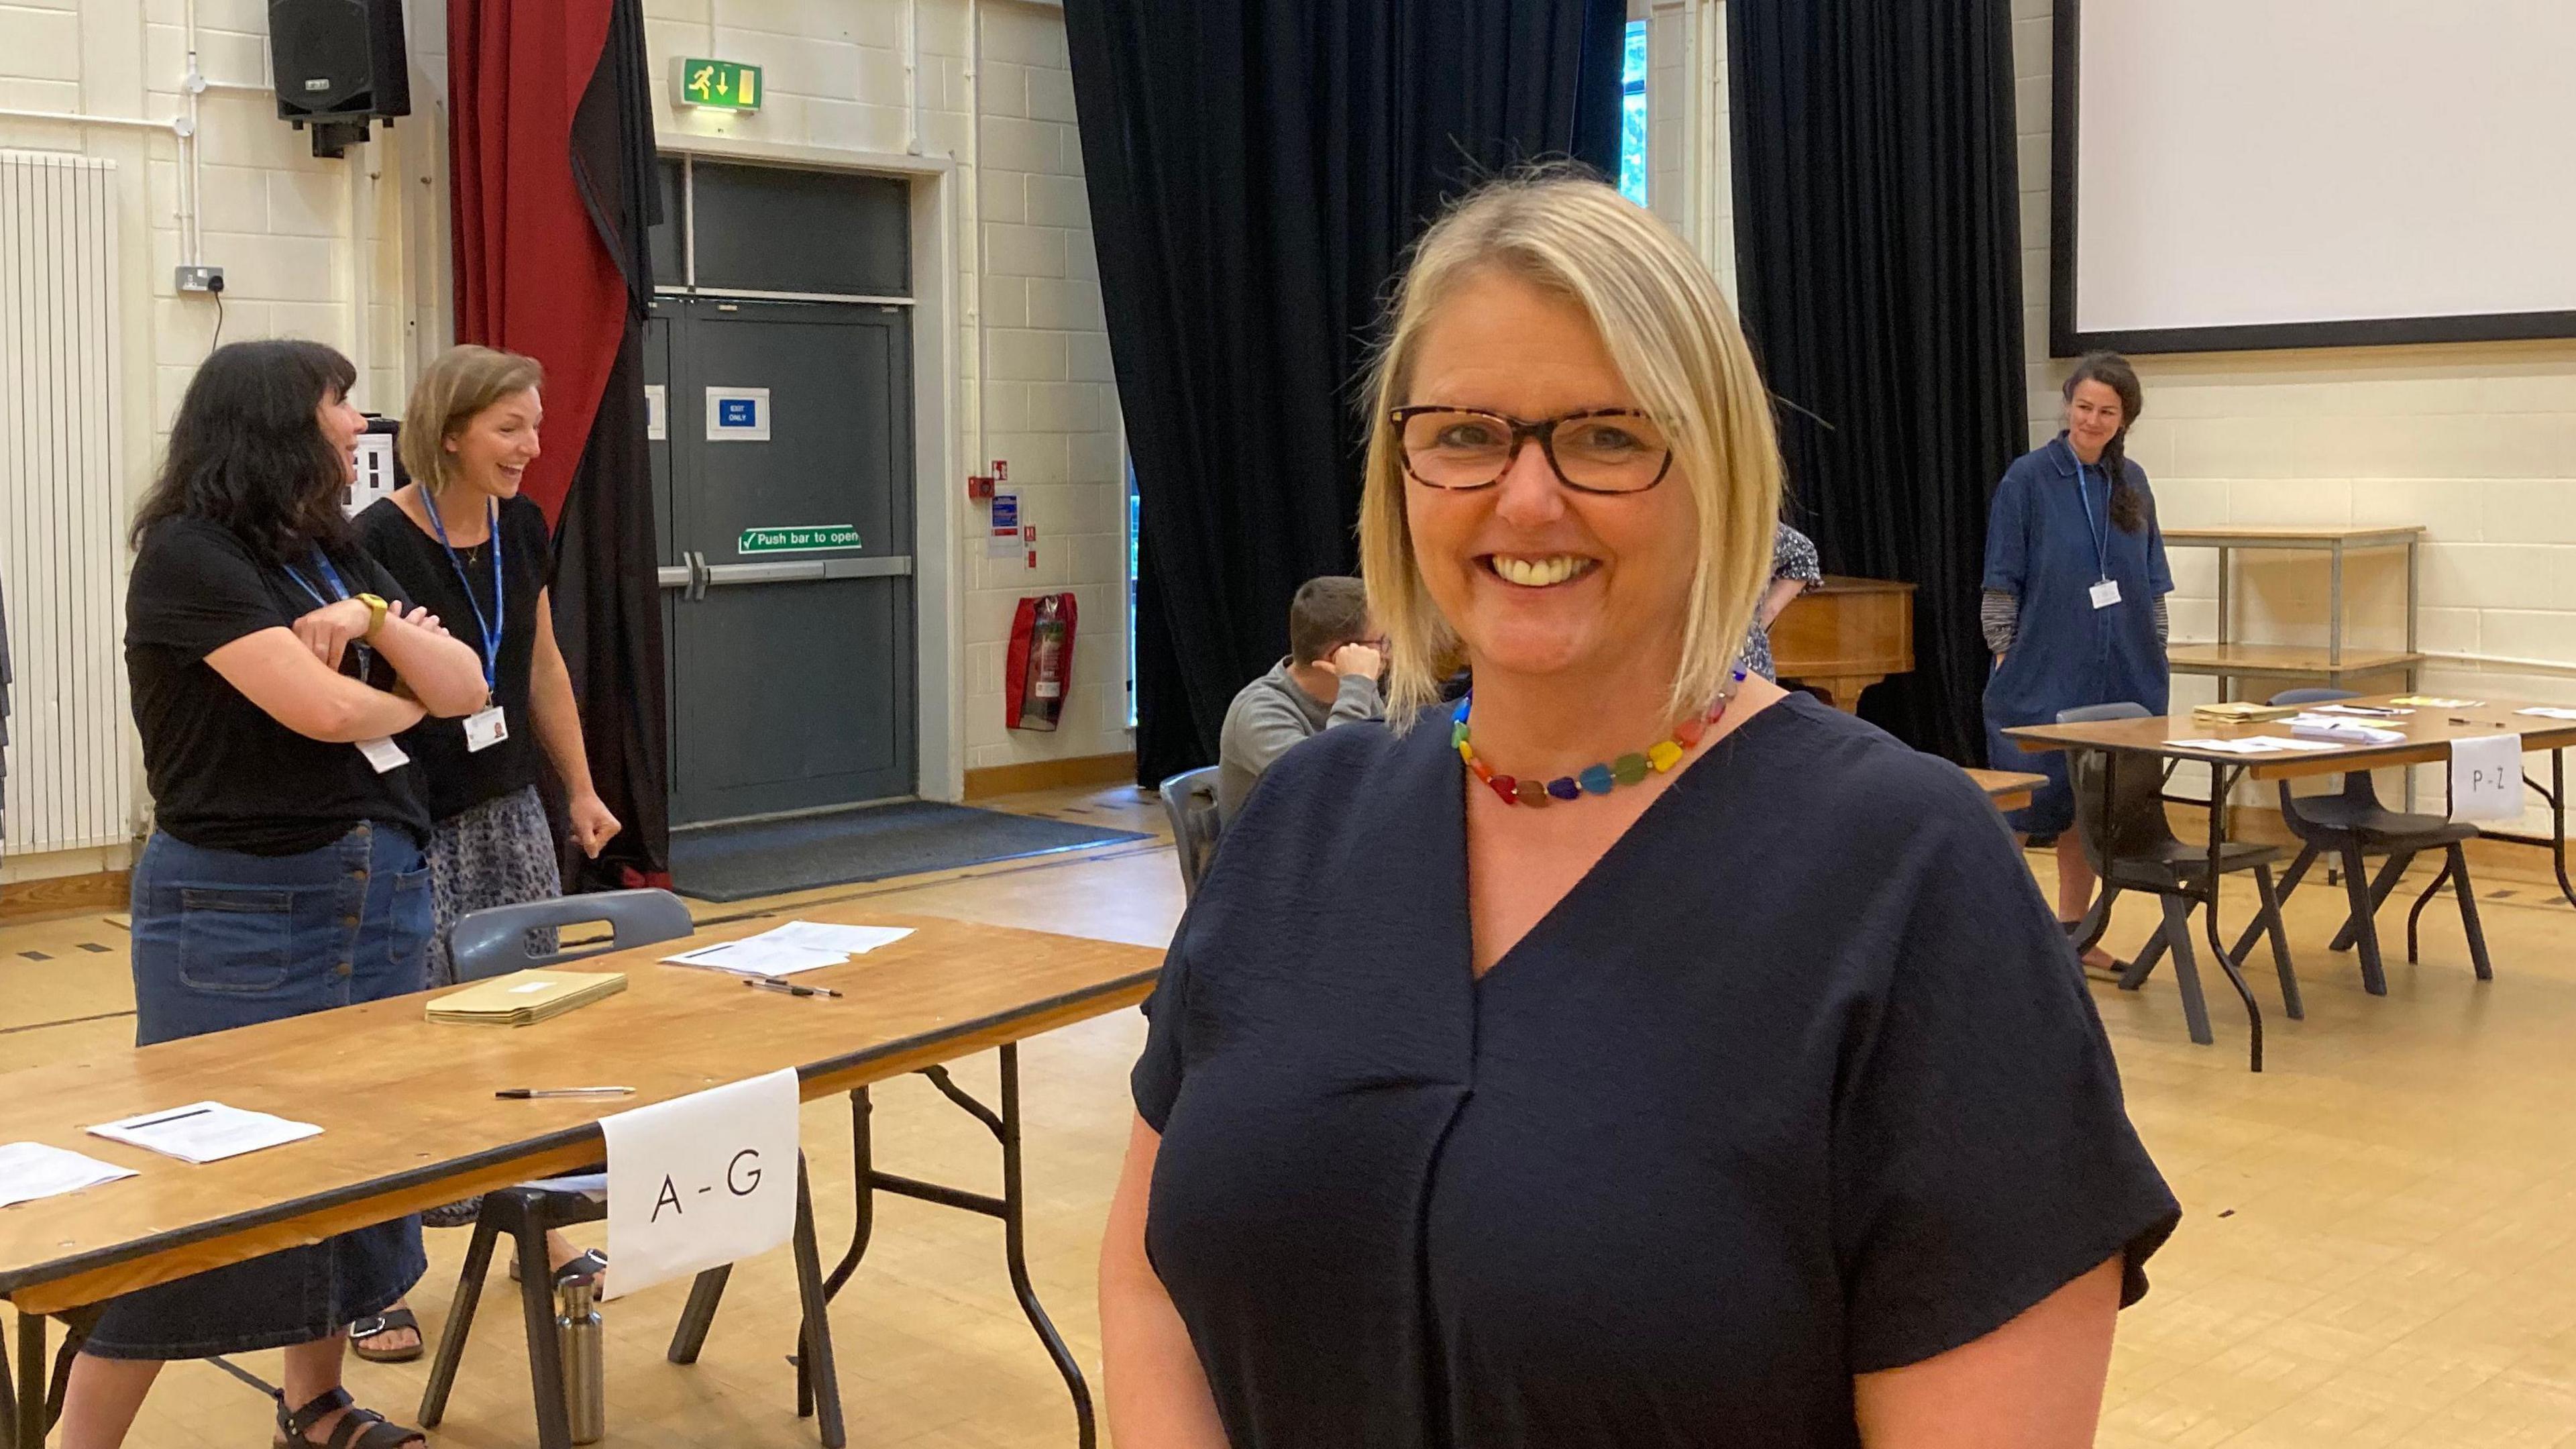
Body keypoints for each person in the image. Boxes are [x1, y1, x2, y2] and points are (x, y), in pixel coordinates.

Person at [1097, 172, 2178, 1448]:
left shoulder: (1911, 875)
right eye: (1464, 434)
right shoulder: (1307, 821)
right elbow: (1147, 1274)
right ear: (1403, 467)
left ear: (1718, 467)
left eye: (1608, 436)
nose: (1528, 499)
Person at [72, 339, 488, 1449]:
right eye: (338, 403)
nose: (358, 423)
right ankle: (79, 1438)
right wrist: (397, 698)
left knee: (348, 1166)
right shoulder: (188, 555)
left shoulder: (329, 553)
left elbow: (467, 682)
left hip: (376, 887)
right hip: (239, 908)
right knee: (200, 1190)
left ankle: (315, 1405)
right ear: (272, 424)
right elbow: (328, 714)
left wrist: (367, 623)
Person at [343, 345, 623, 1361]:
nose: (531, 447)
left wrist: (582, 789)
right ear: (452, 428)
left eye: (536, 427)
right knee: (412, 1045)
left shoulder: (525, 528)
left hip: (510, 816)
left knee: (530, 1035)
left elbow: (540, 660)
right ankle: (382, 1277)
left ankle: (538, 1235)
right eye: (512, 428)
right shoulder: (373, 538)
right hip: (412, 820)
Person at [1982, 354, 2172, 969]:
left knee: (2089, 810)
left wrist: (2157, 646)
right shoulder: (2028, 479)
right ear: (2068, 406)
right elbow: (2001, 580)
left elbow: (2152, 580)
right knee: (2024, 801)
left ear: (2124, 420)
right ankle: (1999, 935)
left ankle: (2074, 934)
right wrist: (2005, 651)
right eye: (2084, 407)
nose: (2092, 420)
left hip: (2123, 671)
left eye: (2107, 412)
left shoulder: (2132, 481)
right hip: (2043, 668)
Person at [1213, 575, 1383, 821]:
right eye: (1381, 642)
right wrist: (1356, 685)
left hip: (1333, 843)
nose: (1387, 652)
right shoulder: (1258, 711)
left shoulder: (1358, 694)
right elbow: (1325, 787)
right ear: (1337, 655)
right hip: (1272, 855)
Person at [1741, 519, 1823, 679]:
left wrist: (1765, 614)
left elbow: (1803, 553)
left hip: (1740, 663)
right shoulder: (1753, 524)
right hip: (1745, 663)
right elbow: (1802, 552)